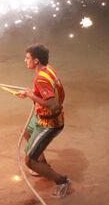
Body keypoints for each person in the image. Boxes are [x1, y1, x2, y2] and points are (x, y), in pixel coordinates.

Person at [17, 44, 71, 198]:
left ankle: (62, 182)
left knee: (29, 162)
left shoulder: (41, 79)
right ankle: (43, 166)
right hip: (42, 116)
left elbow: (52, 104)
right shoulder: (48, 69)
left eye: (27, 58)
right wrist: (30, 93)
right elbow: (47, 93)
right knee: (26, 132)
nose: (25, 60)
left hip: (49, 123)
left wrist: (30, 95)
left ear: (36, 61)